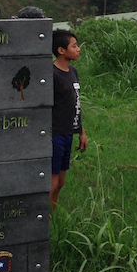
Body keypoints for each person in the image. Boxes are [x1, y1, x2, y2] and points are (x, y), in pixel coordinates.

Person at [51, 30, 87, 209]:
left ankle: (52, 216)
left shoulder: (73, 71)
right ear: (61, 50)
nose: (78, 49)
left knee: (61, 182)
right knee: (52, 181)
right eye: (74, 46)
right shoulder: (52, 75)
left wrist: (81, 131)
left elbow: (76, 104)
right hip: (55, 134)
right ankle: (42, 221)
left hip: (69, 132)